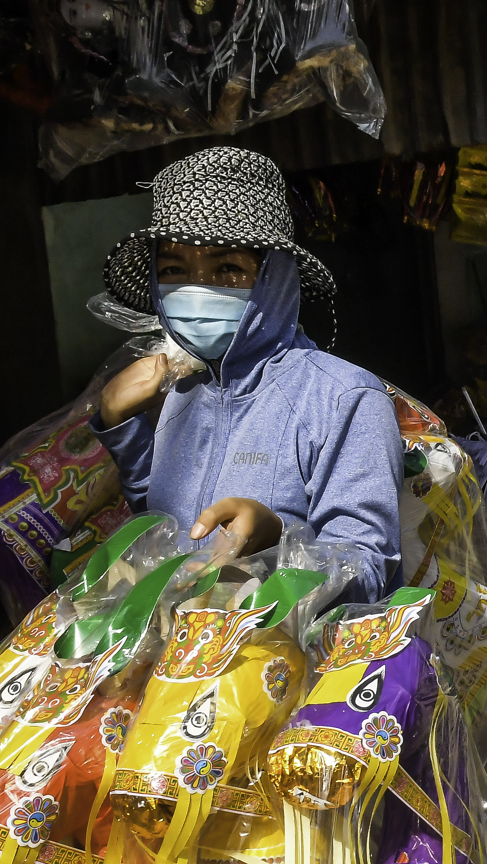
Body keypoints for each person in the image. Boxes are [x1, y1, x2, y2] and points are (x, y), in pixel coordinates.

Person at [89, 145, 404, 597]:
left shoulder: (343, 399)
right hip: (182, 657)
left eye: (228, 269)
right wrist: (121, 426)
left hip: (280, 664)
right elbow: (167, 533)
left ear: (273, 280)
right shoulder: (183, 395)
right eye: (175, 269)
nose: (197, 290)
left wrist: (278, 544)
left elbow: (370, 573)